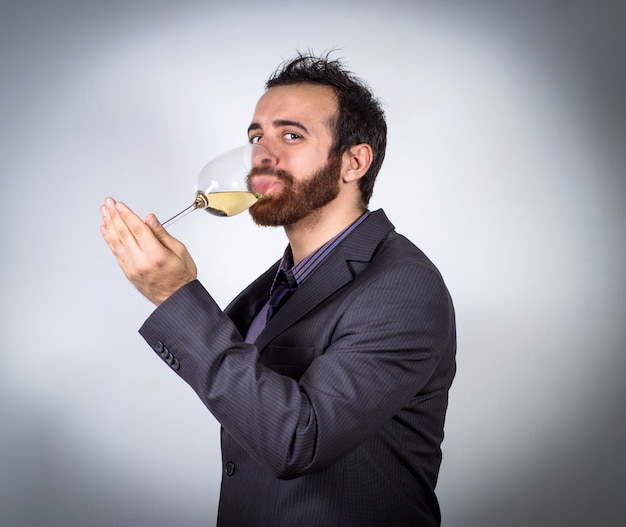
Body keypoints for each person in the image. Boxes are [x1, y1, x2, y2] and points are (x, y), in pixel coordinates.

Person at [100, 52, 456, 527]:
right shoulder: (279, 284)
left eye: (291, 135)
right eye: (256, 137)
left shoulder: (403, 287)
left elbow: (296, 441)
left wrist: (175, 294)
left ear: (354, 161)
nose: (262, 154)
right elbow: (249, 404)